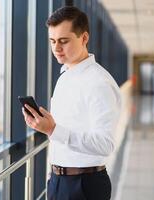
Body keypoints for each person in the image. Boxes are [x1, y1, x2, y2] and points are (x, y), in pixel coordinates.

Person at [22, 6, 121, 200]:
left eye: (64, 41)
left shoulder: (98, 83)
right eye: (52, 41)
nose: (56, 48)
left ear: (84, 38)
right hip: (58, 182)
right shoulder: (65, 76)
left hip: (85, 185)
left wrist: (53, 130)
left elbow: (105, 144)